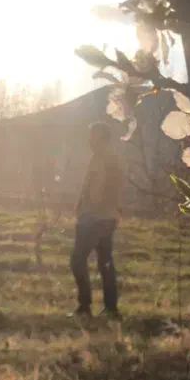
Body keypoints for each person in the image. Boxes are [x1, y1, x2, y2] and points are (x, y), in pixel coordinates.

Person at [70, 122, 125, 318]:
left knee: (78, 259)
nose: (90, 139)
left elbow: (108, 190)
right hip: (99, 217)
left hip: (97, 218)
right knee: (105, 262)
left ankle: (85, 307)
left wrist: (91, 211)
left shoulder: (108, 159)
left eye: (93, 136)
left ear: (102, 138)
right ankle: (110, 308)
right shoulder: (101, 157)